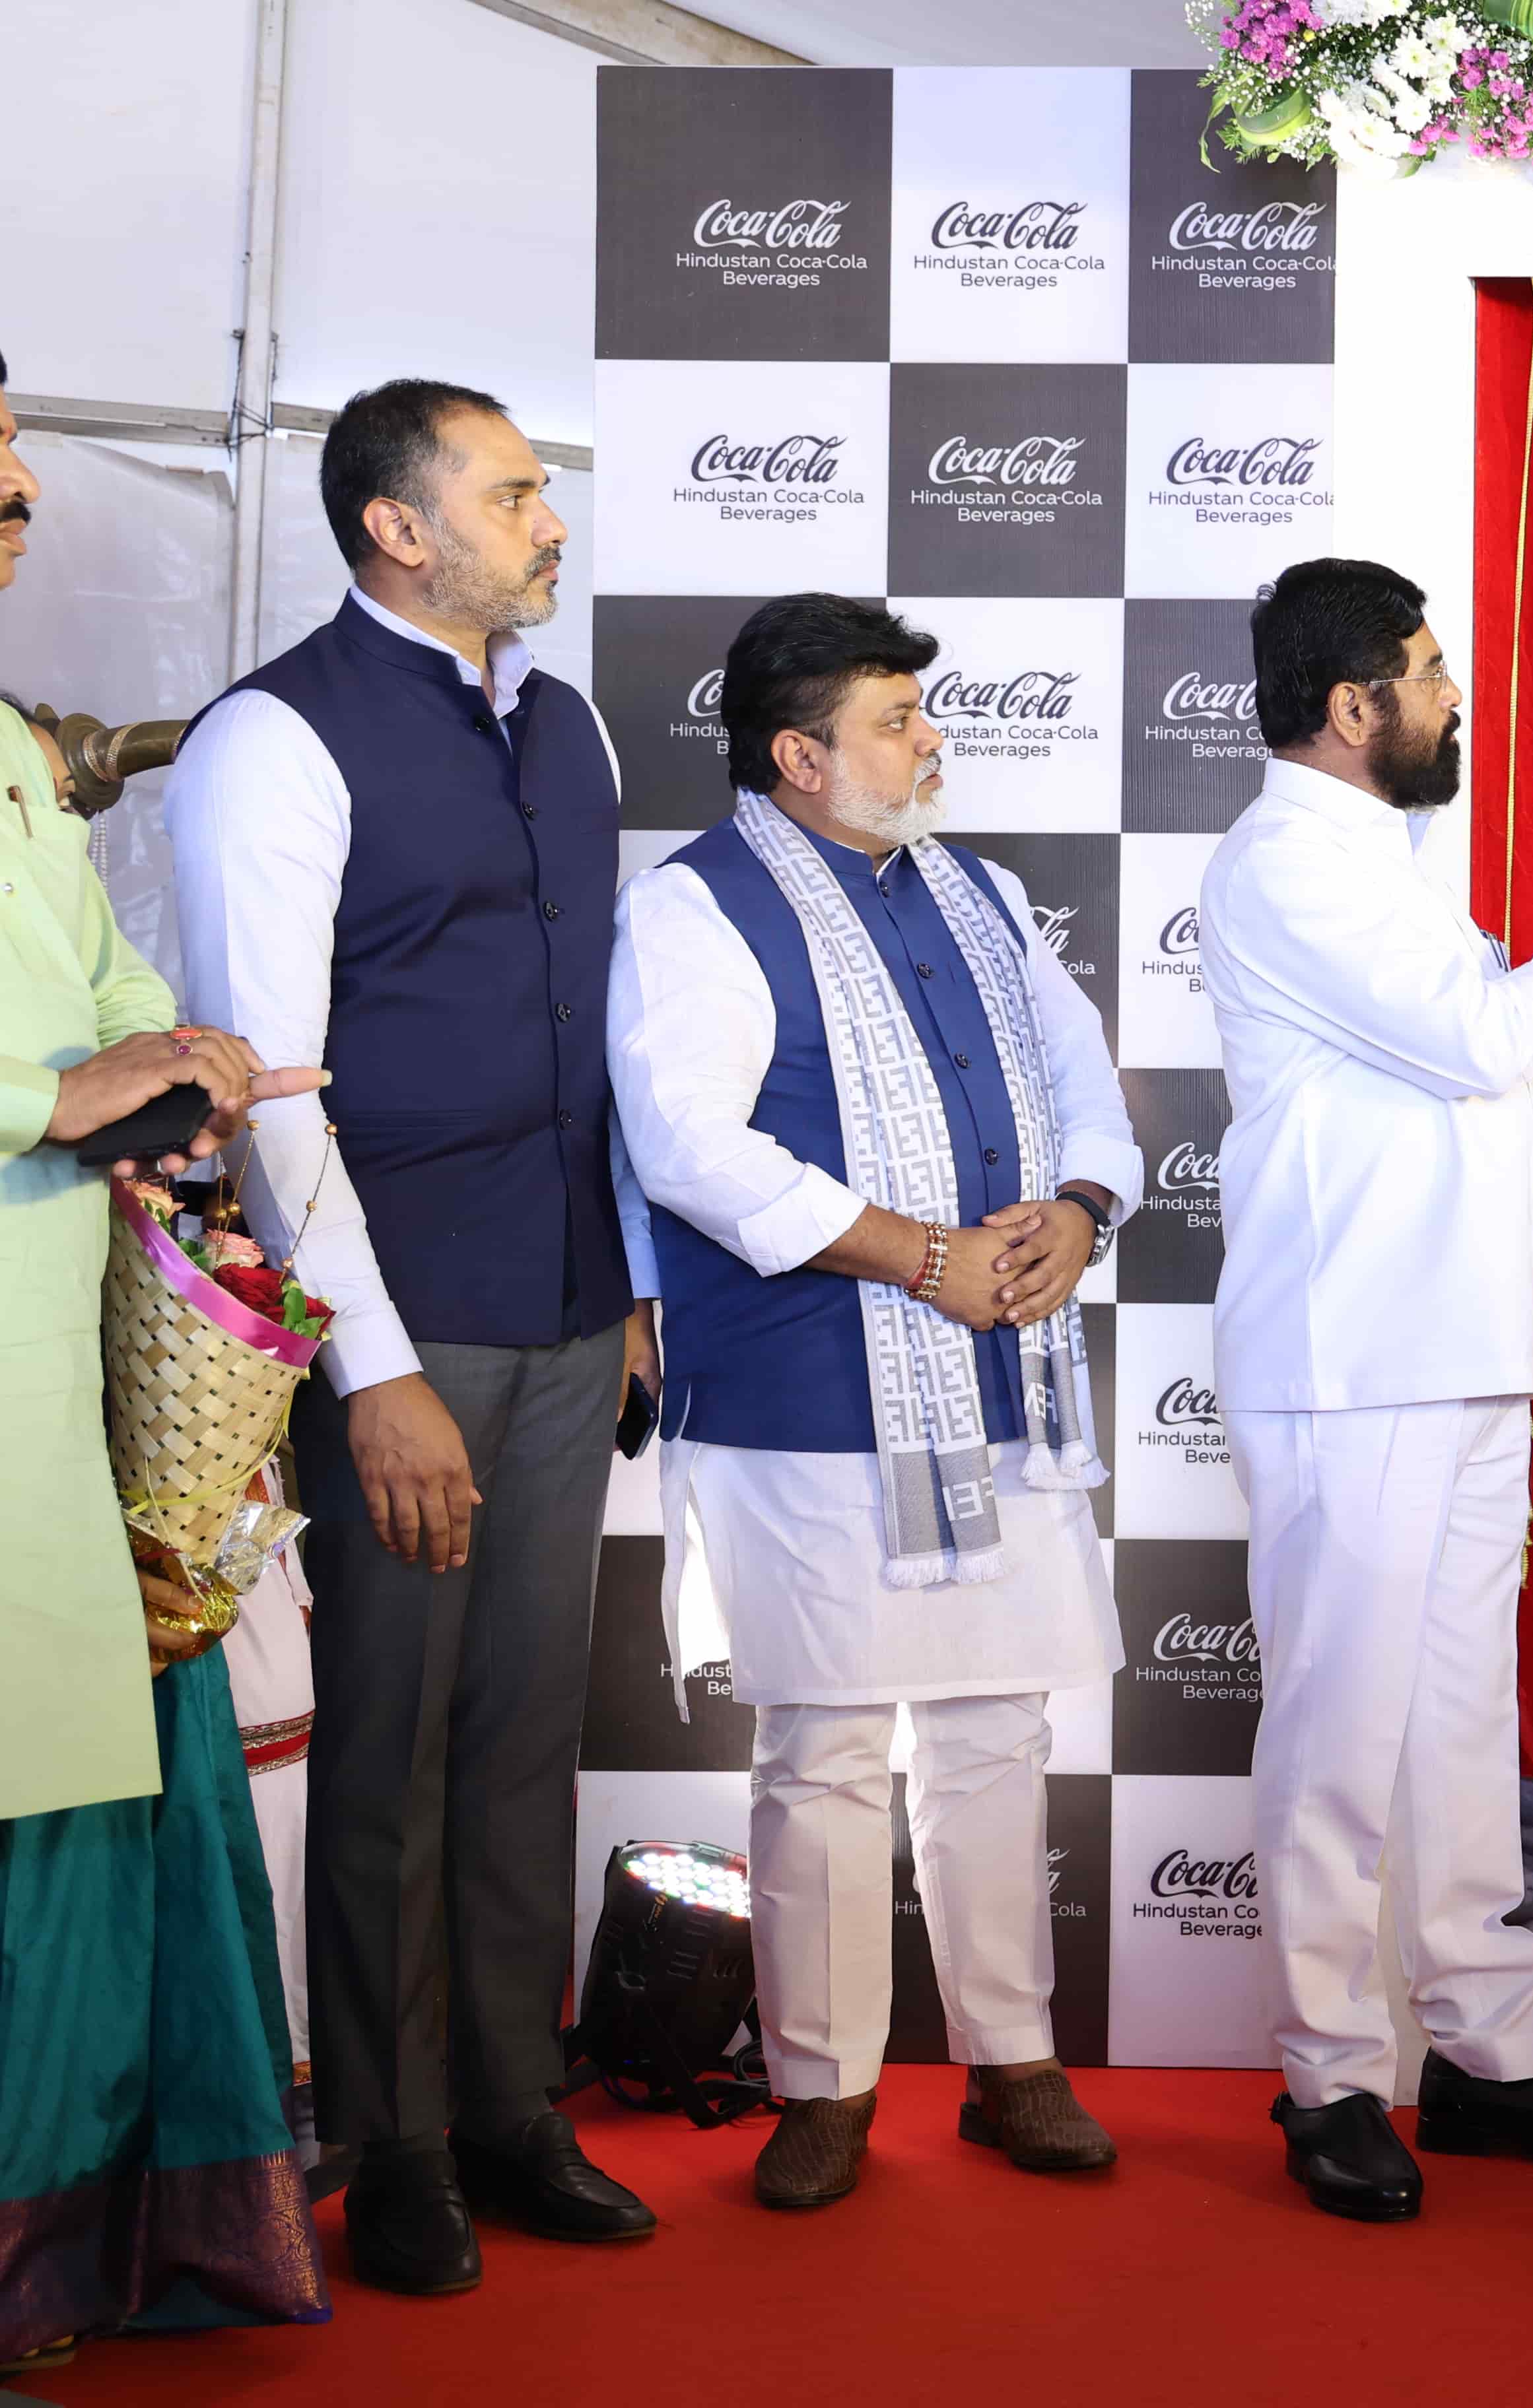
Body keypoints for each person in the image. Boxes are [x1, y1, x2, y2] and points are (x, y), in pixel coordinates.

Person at [167, 377, 661, 2293]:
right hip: (398, 1329)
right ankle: (390, 2144)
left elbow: (594, 1039)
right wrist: (367, 1370)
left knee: (525, 1732)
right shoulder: (274, 737)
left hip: (569, 1312)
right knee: (387, 1747)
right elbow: (265, 1096)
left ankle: (513, 2107)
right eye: (516, 493)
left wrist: (631, 1284)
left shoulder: (566, 719)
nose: (552, 522)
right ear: (398, 525)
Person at [607, 593, 1132, 2209]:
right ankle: (822, 2086)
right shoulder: (694, 907)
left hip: (995, 1371)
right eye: (897, 722)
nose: (930, 744)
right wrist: (921, 1257)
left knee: (996, 1730)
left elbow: (1085, 1079)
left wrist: (1083, 1210)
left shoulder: (982, 894)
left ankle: (1012, 2062)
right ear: (799, 757)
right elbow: (689, 1145)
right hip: (801, 1386)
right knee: (826, 1745)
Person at [1196, 557, 1533, 2221]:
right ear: (1354, 707)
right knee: (1342, 1731)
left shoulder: (1389, 866)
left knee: (1461, 1726)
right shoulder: (1289, 863)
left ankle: (1489, 2055)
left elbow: (1488, 1091)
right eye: (1429, 671)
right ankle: (1332, 2079)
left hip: (1457, 1346)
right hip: (1355, 1360)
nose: (1454, 694)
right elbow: (1482, 1043)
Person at [0, 358, 330, 2375]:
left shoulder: (13, 752)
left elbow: (103, 985)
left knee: (71, 1794)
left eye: (16, 452)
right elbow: (51, 1062)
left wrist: (181, 1057)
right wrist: (53, 1096)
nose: (23, 491)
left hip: (57, 1378)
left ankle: (54, 2257)